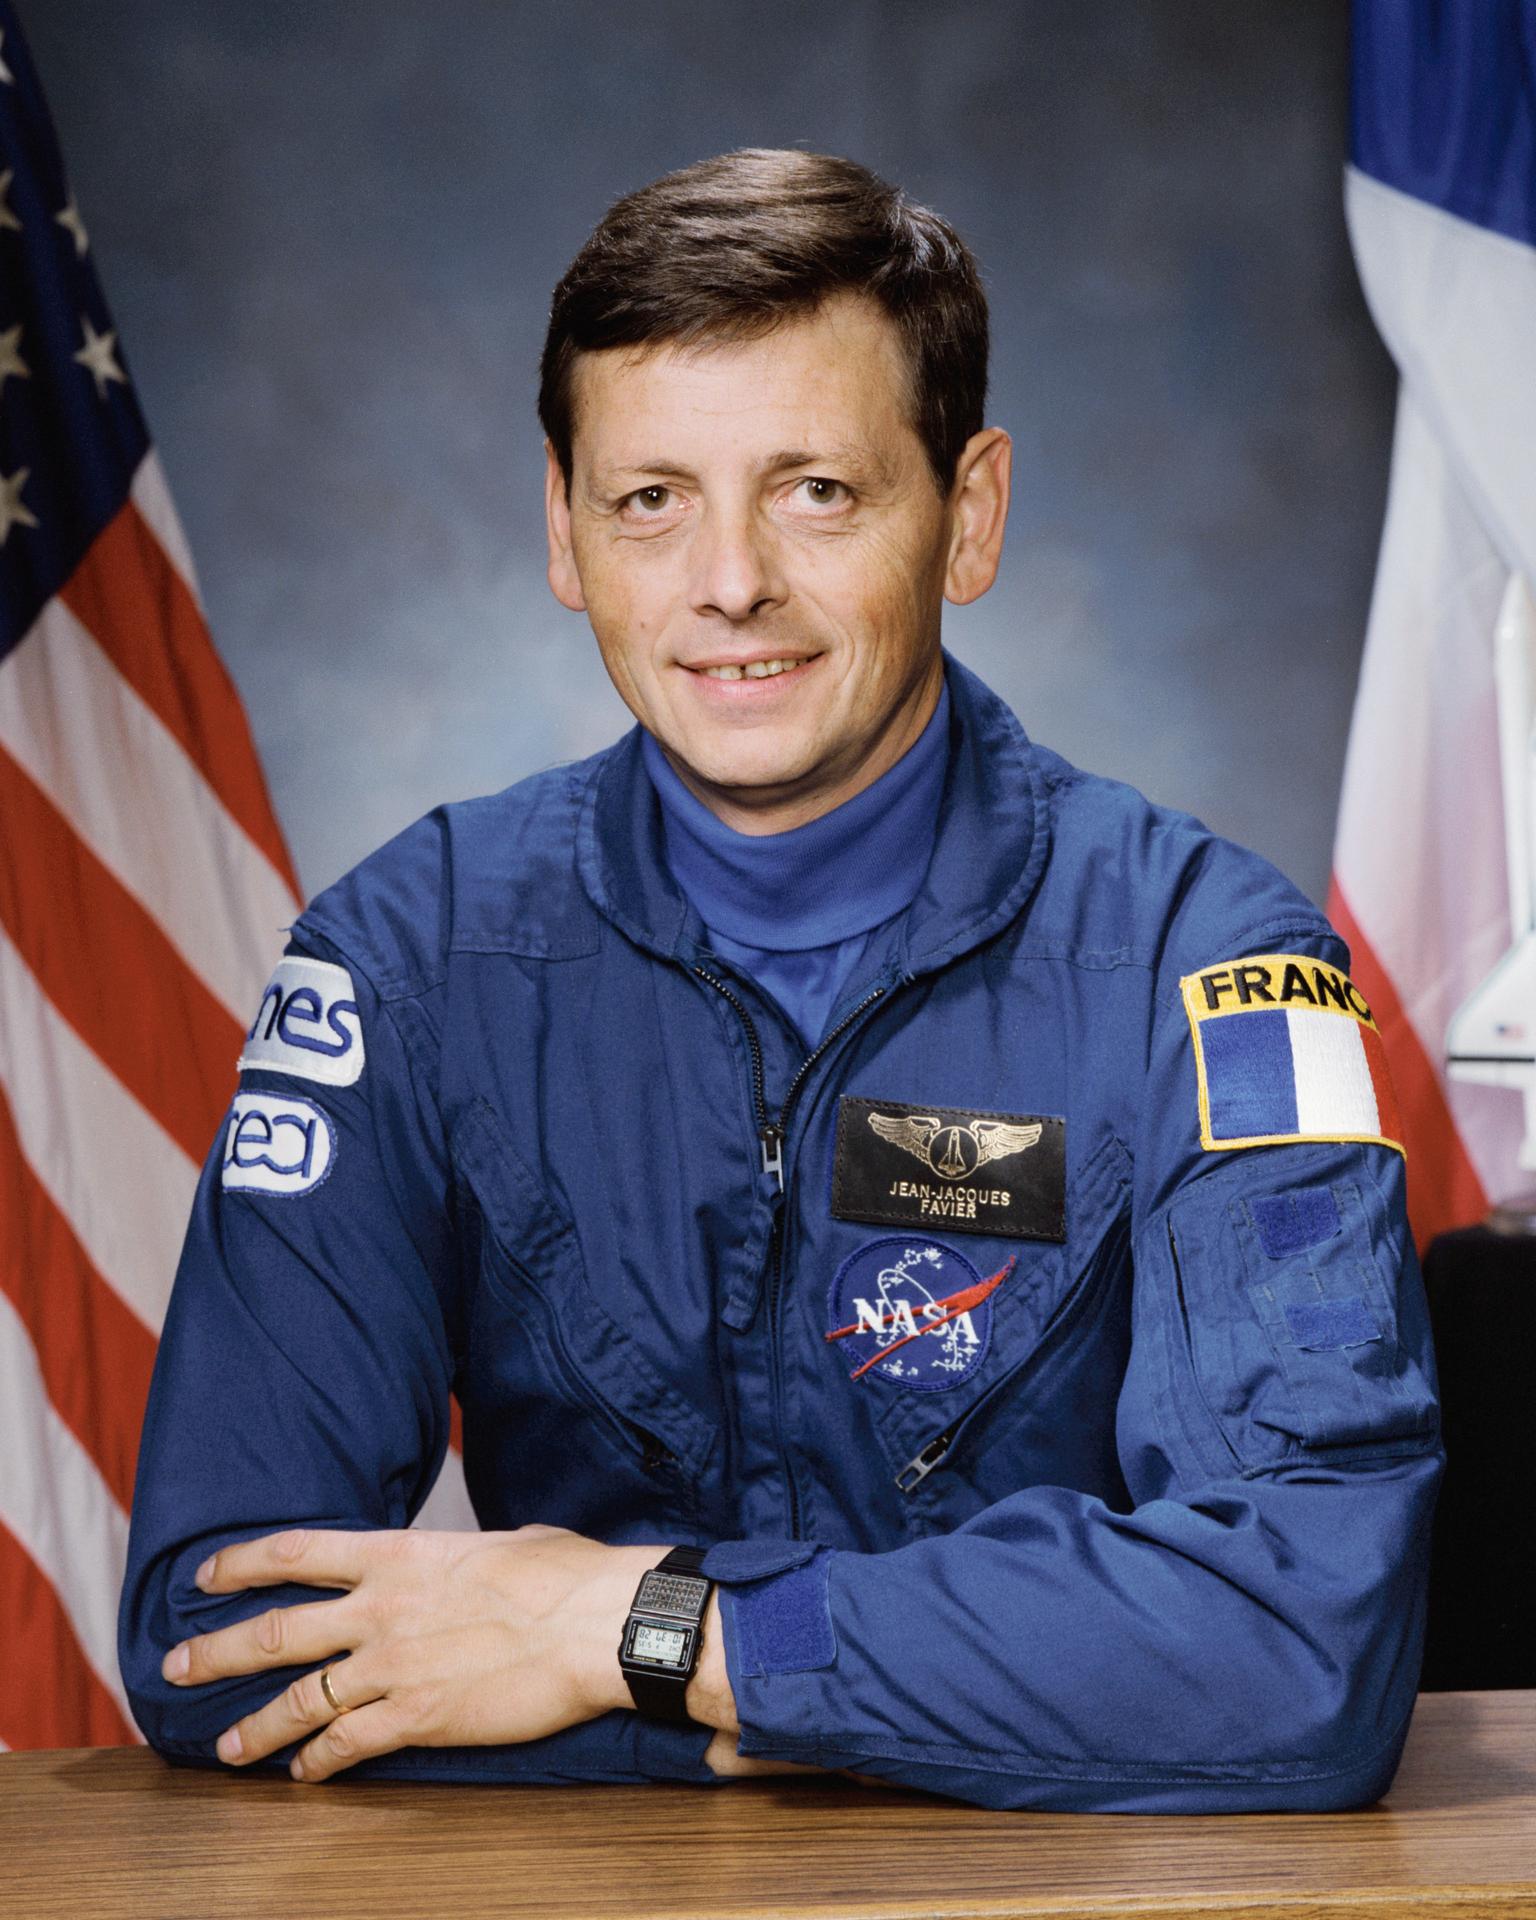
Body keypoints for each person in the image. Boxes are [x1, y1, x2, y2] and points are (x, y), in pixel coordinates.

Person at [119, 148, 1441, 1812]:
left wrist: (640, 1630)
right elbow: (219, 1633)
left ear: (969, 518)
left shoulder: (1214, 968)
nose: (727, 580)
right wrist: (935, 1702)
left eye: (816, 489)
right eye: (649, 498)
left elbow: (1296, 1651)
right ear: (562, 530)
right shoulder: (407, 961)